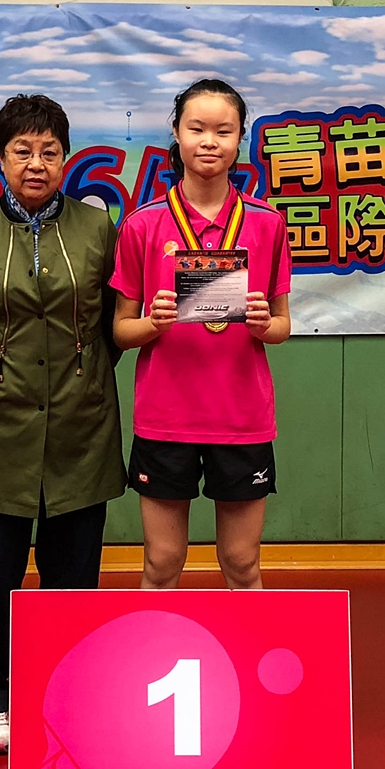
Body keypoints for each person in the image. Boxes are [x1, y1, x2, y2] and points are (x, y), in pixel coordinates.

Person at [0, 94, 125, 756]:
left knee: (73, 580)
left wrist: (75, 376)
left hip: (81, 427)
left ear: (66, 158)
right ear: (0, 158)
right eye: (22, 151)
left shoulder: (99, 230)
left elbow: (114, 326)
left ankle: (67, 691)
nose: (36, 163)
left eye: (49, 151)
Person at [112, 78, 292, 590]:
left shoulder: (267, 223)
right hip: (165, 419)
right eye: (197, 129)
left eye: (223, 131)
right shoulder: (142, 225)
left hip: (242, 418)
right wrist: (152, 323)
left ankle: (247, 647)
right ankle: (155, 645)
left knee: (242, 563)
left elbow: (283, 326)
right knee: (162, 562)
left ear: (240, 139)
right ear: (177, 133)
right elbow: (121, 330)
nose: (209, 141)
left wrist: (265, 324)